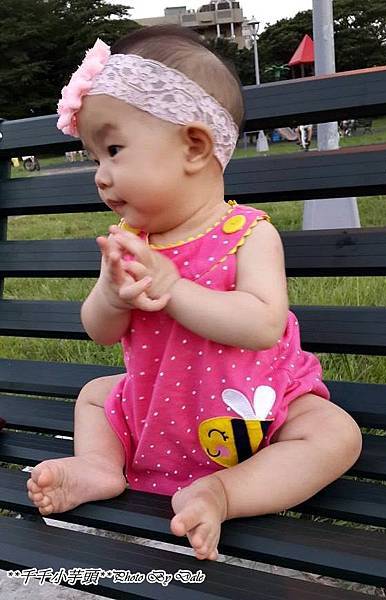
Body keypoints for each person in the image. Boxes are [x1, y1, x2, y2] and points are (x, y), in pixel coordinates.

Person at [26, 25, 362, 561]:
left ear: (194, 147)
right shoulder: (131, 243)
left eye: (113, 150)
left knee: (336, 434)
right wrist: (111, 296)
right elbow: (100, 331)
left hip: (257, 406)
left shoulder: (248, 234)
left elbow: (262, 325)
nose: (101, 176)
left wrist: (174, 288)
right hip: (158, 402)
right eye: (94, 158)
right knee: (94, 393)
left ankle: (224, 492)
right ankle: (98, 466)